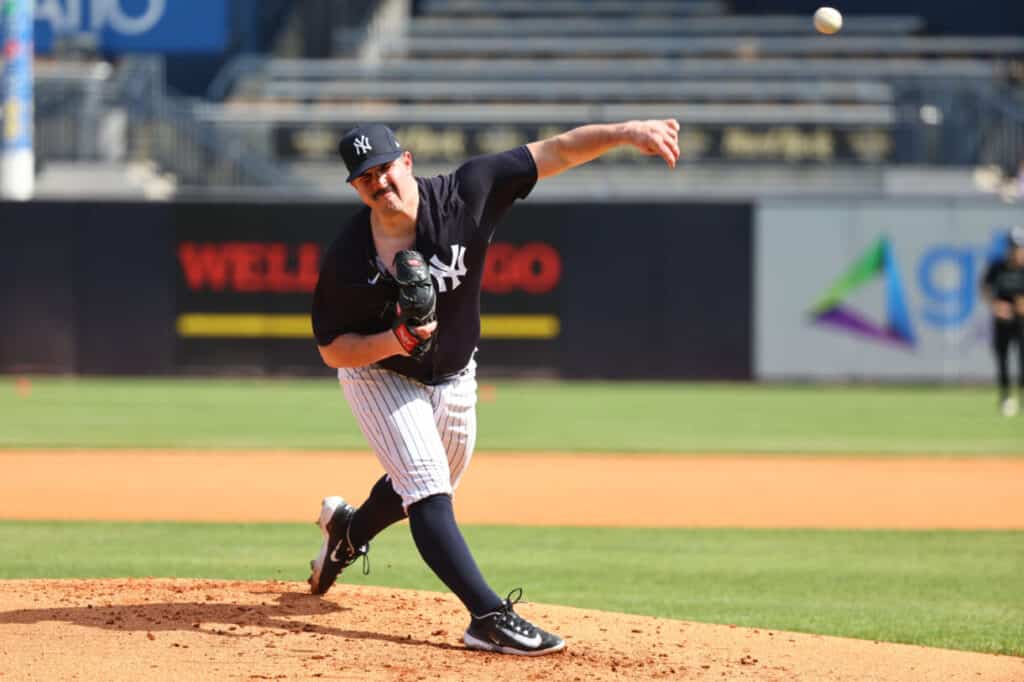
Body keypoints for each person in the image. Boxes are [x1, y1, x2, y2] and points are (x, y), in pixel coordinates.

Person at [308, 119, 680, 655]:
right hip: (380, 374)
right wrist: (395, 340)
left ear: (407, 162)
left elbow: (553, 151)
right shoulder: (349, 256)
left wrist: (626, 132)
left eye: (385, 168)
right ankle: (488, 616)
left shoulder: (468, 192)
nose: (380, 182)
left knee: (431, 480)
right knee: (428, 488)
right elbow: (332, 349)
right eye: (365, 177)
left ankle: (347, 531)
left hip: (456, 373)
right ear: (355, 187)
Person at [981, 226, 1024, 417]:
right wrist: (995, 305)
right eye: (1015, 248)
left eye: (1020, 248)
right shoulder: (997, 267)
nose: (1018, 252)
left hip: (1021, 323)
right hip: (1002, 322)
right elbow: (985, 288)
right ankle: (1005, 397)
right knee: (1003, 360)